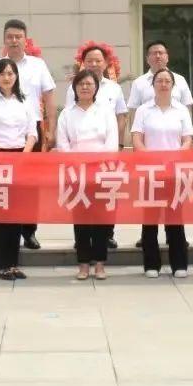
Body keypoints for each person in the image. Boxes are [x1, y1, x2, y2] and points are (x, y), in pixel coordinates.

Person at [0, 19, 55, 250]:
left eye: (18, 37)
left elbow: (49, 98)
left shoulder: (37, 65)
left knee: (29, 186)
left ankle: (29, 232)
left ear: (25, 40)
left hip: (31, 132)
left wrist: (51, 129)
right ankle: (4, 234)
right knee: (2, 187)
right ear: (4, 40)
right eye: (10, 37)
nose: (14, 41)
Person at [128, 40, 193, 249]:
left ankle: (177, 242)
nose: (163, 84)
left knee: (175, 206)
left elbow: (187, 132)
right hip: (149, 163)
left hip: (174, 163)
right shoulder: (141, 93)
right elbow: (135, 128)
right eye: (153, 53)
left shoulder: (181, 90)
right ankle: (149, 244)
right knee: (150, 207)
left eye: (161, 52)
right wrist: (144, 155)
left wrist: (180, 155)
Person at [0, 57, 39, 280]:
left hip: (21, 158)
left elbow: (32, 132)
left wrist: (24, 155)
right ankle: (1, 264)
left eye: (10, 73)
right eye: (2, 73)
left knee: (16, 213)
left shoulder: (25, 100)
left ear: (16, 76)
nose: (6, 77)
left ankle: (13, 263)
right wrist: (1, 158)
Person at [57, 69, 119, 281]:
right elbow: (63, 144)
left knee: (101, 220)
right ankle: (83, 263)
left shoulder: (105, 111)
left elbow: (111, 141)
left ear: (96, 87)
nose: (85, 87)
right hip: (77, 173)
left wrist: (99, 164)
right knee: (81, 219)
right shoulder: (67, 113)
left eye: (89, 84)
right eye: (81, 84)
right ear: (74, 87)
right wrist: (77, 164)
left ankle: (100, 263)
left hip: (102, 171)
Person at [66, 41, 127, 248]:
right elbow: (69, 117)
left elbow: (121, 117)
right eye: (89, 60)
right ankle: (81, 238)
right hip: (79, 157)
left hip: (107, 153)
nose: (94, 64)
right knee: (80, 195)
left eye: (98, 60)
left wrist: (118, 146)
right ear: (83, 63)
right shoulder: (73, 88)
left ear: (106, 62)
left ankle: (107, 234)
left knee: (107, 194)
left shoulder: (114, 88)